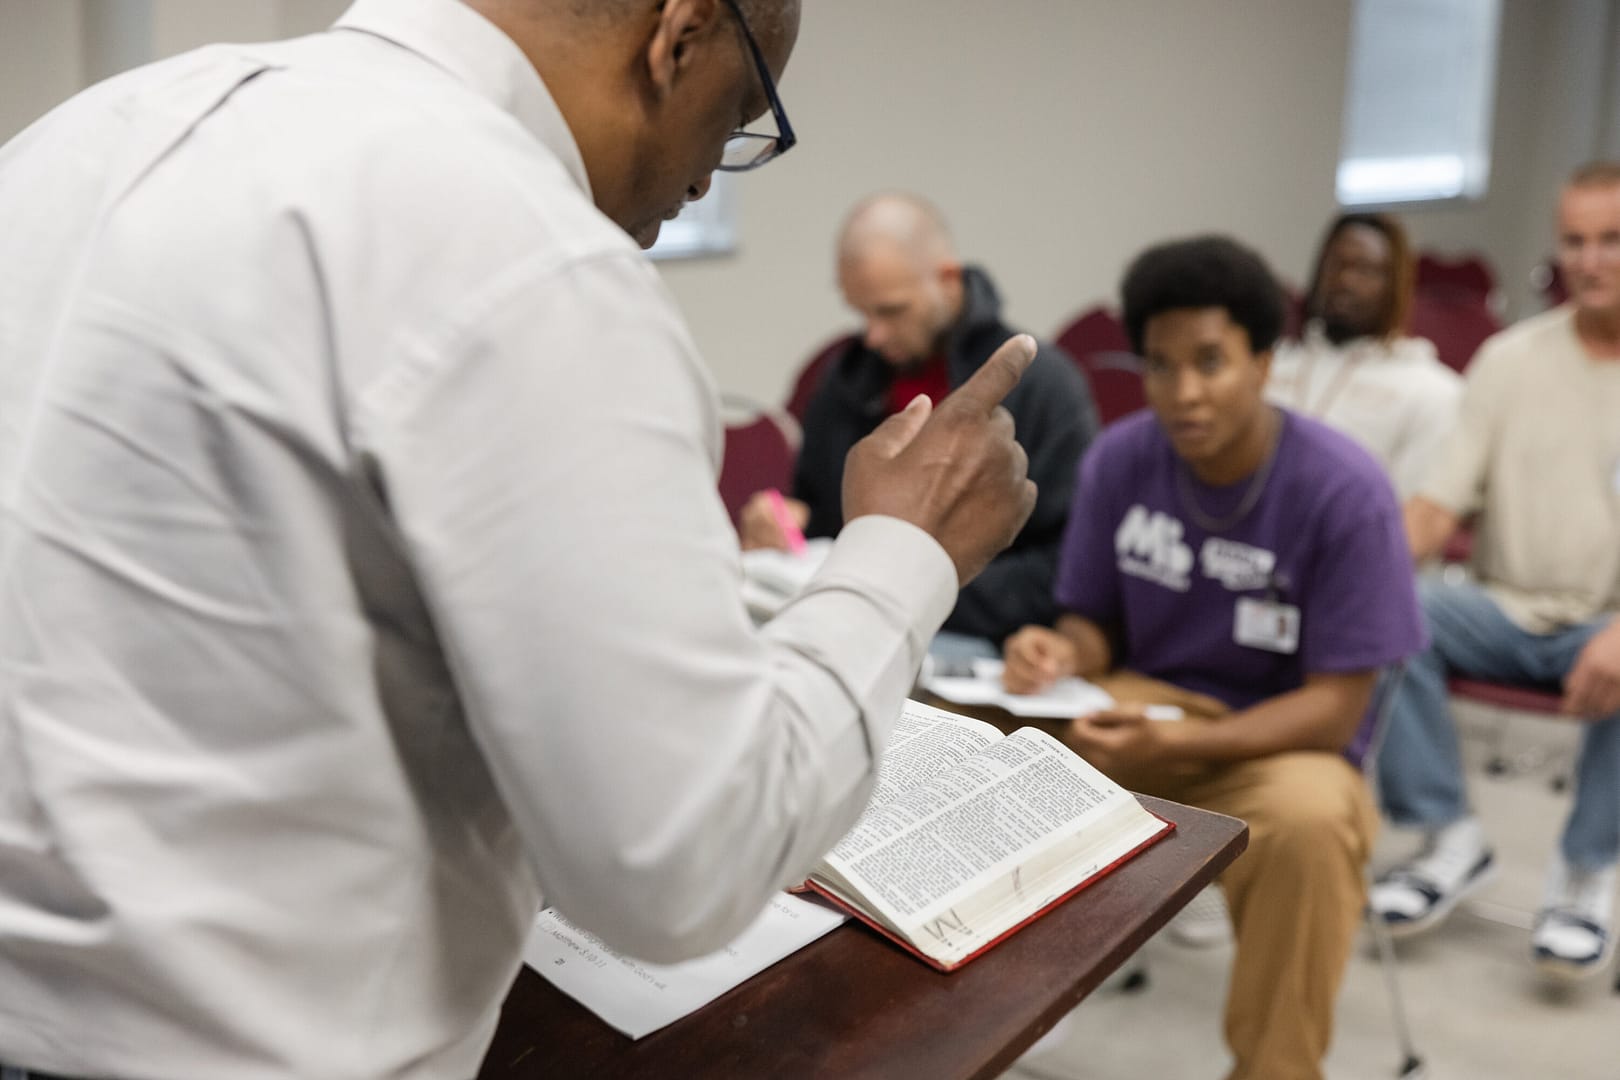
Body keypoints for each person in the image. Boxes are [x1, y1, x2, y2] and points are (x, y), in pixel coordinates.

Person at [0, 1, 1039, 1077]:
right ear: (677, 34)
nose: (698, 188)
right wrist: (904, 549)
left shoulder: (76, 140)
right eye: (737, 114)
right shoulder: (528, 255)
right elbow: (681, 857)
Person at [1002, 236, 1425, 1080]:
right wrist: (1058, 649)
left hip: (1276, 744)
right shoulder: (1121, 459)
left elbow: (1337, 710)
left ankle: (1276, 1068)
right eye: (1160, 366)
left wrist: (1179, 747)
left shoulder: (1344, 492)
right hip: (1138, 704)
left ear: (1266, 362)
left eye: (1210, 362)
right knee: (991, 754)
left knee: (1313, 825)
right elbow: (1096, 625)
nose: (1183, 393)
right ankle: (984, 1031)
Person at [1371, 160, 1620, 980]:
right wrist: (1363, 572)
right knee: (1387, 608)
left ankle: (1584, 876)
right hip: (1503, 610)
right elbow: (1438, 507)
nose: (1592, 260)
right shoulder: (1510, 361)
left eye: (1612, 240)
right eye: (1576, 241)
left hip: (1609, 624)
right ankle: (1450, 838)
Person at [739, 192, 1099, 645]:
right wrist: (786, 527)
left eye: (891, 310)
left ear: (948, 280)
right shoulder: (848, 378)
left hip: (992, 646)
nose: (873, 334)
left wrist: (912, 587)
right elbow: (826, 520)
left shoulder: (1044, 386)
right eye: (861, 312)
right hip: (861, 627)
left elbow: (1067, 568)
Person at [1266, 212, 1462, 498]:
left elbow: (1411, 517)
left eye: (1366, 270)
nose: (1345, 280)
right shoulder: (1271, 364)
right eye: (1336, 265)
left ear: (1395, 286)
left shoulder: (1433, 391)